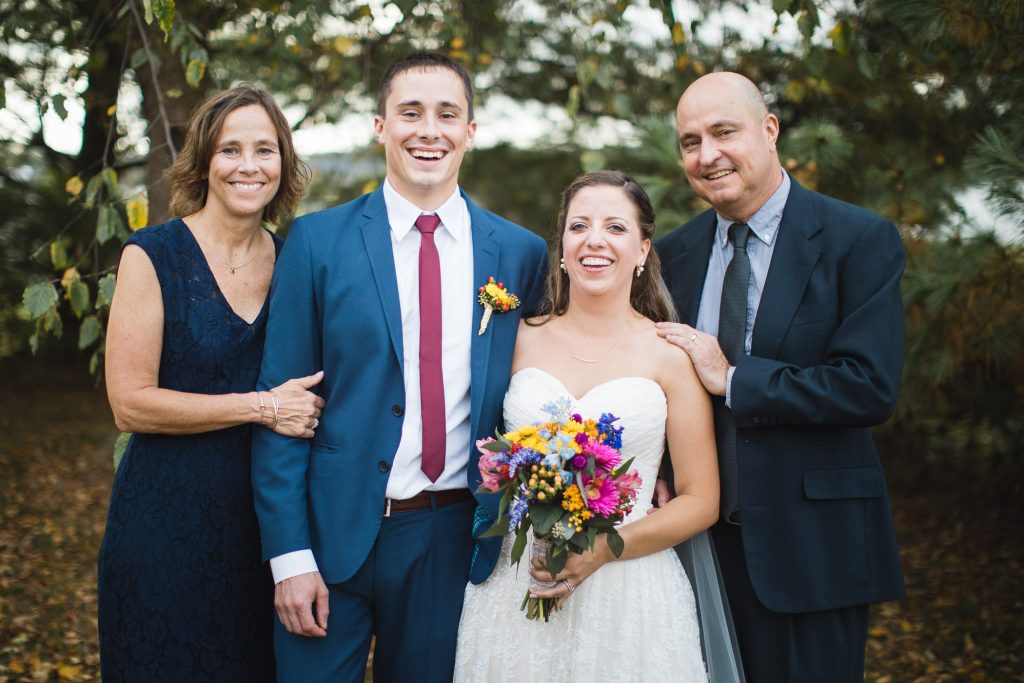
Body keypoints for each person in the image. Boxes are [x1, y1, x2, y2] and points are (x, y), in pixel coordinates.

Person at [250, 52, 548, 683]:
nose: (428, 131)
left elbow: (552, 376)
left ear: (471, 130)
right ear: (380, 125)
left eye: (447, 114)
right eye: (409, 113)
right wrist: (289, 556)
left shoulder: (520, 253)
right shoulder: (316, 242)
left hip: (450, 536)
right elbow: (280, 406)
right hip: (330, 534)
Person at [655, 71, 906, 682]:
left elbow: (867, 385)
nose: (707, 155)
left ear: (769, 131)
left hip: (816, 546)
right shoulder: (672, 254)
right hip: (701, 549)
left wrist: (735, 379)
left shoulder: (857, 239)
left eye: (724, 132)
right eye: (691, 141)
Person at [455, 170, 741, 682]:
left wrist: (601, 550)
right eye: (579, 226)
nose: (594, 240)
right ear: (561, 247)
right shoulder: (515, 340)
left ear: (643, 250)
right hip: (522, 574)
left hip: (631, 587)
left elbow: (702, 500)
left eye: (615, 227)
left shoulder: (671, 354)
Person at [97, 84, 324, 681]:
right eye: (230, 150)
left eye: (265, 150)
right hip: (162, 524)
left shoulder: (295, 260)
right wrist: (262, 407)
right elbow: (130, 404)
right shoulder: (153, 255)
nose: (249, 166)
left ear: (284, 162)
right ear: (203, 162)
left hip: (259, 529)